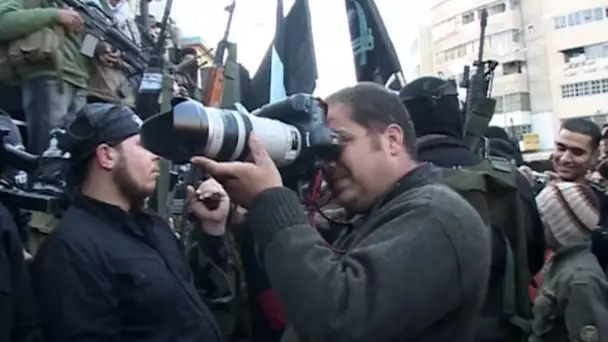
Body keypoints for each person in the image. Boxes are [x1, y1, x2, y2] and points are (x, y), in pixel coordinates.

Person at [191, 82, 491, 342]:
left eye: (338, 141)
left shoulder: (436, 216)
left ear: (392, 139)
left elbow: (337, 319)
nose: (327, 161)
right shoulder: (375, 215)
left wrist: (270, 201)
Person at [31, 103, 225, 342]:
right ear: (106, 156)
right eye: (144, 145)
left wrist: (213, 230)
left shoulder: (154, 227)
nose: (156, 156)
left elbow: (195, 310)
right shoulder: (71, 250)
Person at [399, 76, 545, 342]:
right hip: (505, 330)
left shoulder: (393, 185)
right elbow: (533, 257)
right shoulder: (511, 179)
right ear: (458, 116)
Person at [0, 0, 87, 155]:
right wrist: (55, 15)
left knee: (74, 150)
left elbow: (86, 50)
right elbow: (3, 23)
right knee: (47, 149)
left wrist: (102, 50)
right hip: (48, 76)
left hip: (78, 81)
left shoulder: (79, 6)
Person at [531, 182, 608, 342]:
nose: (534, 225)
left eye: (541, 219)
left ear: (561, 228)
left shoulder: (580, 281)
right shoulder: (560, 262)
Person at [86, 0, 141, 108]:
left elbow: (136, 55)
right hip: (99, 91)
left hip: (125, 95)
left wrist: (122, 62)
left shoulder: (128, 18)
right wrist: (100, 47)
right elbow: (85, 48)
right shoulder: (91, 8)